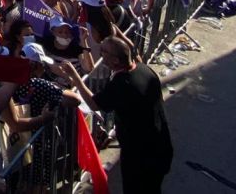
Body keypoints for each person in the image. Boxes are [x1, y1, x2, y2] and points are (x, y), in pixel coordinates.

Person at [63, 37, 173, 194]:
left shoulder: (122, 83)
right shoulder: (143, 69)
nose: (101, 55)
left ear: (115, 60)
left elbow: (94, 104)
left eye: (104, 52)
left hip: (141, 155)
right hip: (161, 146)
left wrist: (76, 77)